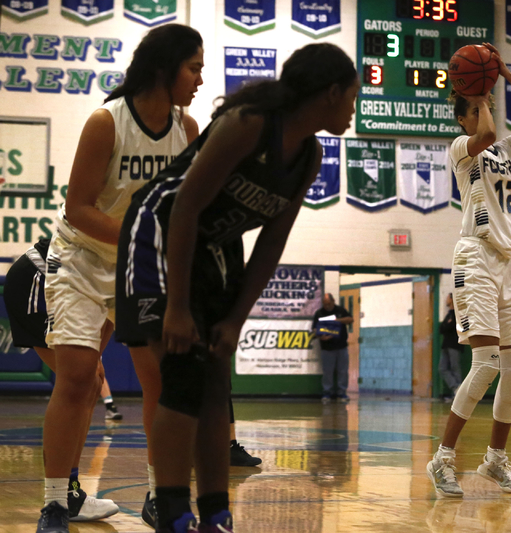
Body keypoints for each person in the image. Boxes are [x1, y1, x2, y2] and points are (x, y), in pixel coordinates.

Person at [114, 43, 358, 533]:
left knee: (217, 377)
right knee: (183, 376)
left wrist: (235, 319)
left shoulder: (308, 154)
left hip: (216, 246)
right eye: (352, 97)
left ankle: (217, 514)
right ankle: (173, 513)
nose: (353, 110)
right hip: (160, 230)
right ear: (331, 92)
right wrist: (178, 307)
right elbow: (183, 208)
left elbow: (271, 243)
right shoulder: (249, 123)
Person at [37, 24, 203, 533]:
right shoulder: (106, 122)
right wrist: (142, 237)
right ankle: (54, 502)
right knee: (79, 378)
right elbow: (78, 208)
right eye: (193, 68)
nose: (200, 79)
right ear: (164, 68)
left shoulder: (187, 130)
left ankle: (159, 495)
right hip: (82, 259)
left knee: (157, 379)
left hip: (138, 266)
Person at [426, 42, 511, 498]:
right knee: (485, 364)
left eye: (488, 105)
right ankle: (442, 459)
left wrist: (509, 76)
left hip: (510, 262)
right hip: (475, 257)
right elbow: (485, 134)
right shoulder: (463, 146)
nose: (487, 111)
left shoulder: (506, 149)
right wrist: (481, 93)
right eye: (479, 107)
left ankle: (495, 461)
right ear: (463, 115)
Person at [4, 238, 120, 523]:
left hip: (67, 282)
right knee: (82, 380)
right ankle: (60, 495)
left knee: (92, 380)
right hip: (39, 277)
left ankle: (70, 493)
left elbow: (109, 316)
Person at [312, 293, 354, 403]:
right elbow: (315, 329)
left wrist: (337, 321)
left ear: (333, 301)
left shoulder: (340, 311)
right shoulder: (320, 313)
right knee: (327, 372)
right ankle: (327, 393)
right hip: (327, 348)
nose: (327, 306)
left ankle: (342, 393)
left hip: (341, 347)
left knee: (343, 371)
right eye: (325, 304)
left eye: (329, 304)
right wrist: (320, 336)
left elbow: (350, 319)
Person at [439, 293, 464, 397]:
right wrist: (447, 325)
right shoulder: (449, 314)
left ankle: (460, 394)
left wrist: (447, 325)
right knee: (442, 368)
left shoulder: (458, 314)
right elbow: (442, 328)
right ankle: (456, 387)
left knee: (455, 367)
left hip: (455, 345)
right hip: (446, 345)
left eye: (447, 298)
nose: (446, 300)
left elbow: (450, 327)